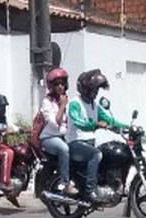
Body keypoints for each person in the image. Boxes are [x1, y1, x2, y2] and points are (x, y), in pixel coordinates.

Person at [67, 69, 126, 202]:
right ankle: (90, 191)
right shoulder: (74, 104)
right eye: (94, 90)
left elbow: (110, 120)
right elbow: (78, 122)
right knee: (96, 154)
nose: (96, 93)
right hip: (75, 143)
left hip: (89, 143)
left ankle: (107, 184)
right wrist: (95, 124)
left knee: (107, 153)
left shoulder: (95, 105)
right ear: (86, 89)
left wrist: (128, 127)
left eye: (97, 90)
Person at [38, 67, 76, 196]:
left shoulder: (68, 101)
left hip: (65, 136)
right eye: (57, 84)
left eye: (62, 84)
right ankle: (65, 183)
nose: (60, 87)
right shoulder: (47, 102)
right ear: (52, 86)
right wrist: (62, 106)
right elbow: (55, 124)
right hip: (49, 138)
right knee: (64, 149)